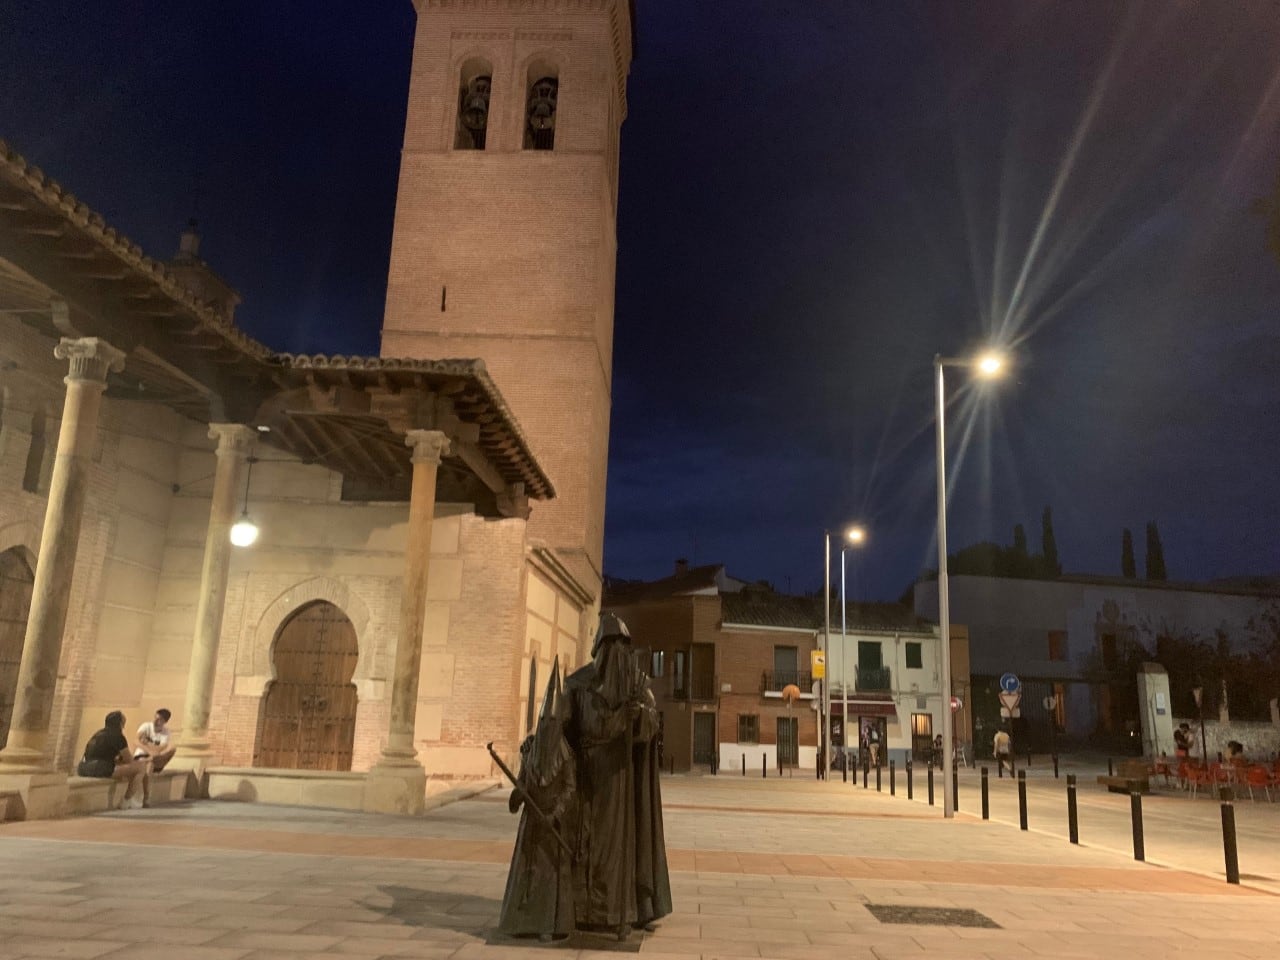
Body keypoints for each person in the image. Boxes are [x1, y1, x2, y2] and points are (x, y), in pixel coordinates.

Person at [564, 614, 671, 941]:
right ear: (599, 648)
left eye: (621, 646)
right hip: (585, 777)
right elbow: (561, 728)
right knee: (585, 843)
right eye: (610, 646)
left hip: (621, 781)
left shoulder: (638, 686)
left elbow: (652, 727)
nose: (616, 653)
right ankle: (582, 909)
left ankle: (625, 909)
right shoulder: (577, 683)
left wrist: (640, 715)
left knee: (619, 846)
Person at [499, 659, 577, 942]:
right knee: (528, 873)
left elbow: (570, 787)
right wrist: (518, 795)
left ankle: (548, 922)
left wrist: (555, 813)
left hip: (551, 824)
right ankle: (522, 920)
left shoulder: (565, 753)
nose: (547, 726)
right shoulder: (530, 751)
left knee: (550, 876)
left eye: (551, 722)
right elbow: (523, 782)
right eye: (544, 721)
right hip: (532, 824)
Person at [77, 711, 147, 808]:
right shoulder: (118, 736)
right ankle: (127, 801)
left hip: (83, 767)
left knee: (124, 769)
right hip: (98, 768)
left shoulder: (98, 733)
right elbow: (129, 760)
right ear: (120, 724)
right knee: (141, 767)